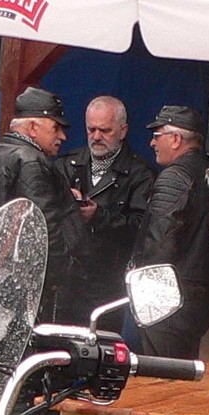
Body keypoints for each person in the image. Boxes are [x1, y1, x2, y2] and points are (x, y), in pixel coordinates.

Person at [123, 105, 209, 415]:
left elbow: (160, 243)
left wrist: (144, 291)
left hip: (169, 296)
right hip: (198, 296)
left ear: (177, 138)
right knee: (181, 389)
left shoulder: (175, 177)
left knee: (160, 393)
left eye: (158, 135)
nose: (152, 142)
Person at [0, 87, 94, 323]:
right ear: (33, 127)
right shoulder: (31, 162)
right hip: (19, 296)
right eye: (56, 128)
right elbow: (44, 229)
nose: (63, 137)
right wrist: (62, 276)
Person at [58, 95, 155, 324]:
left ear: (123, 131)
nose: (96, 136)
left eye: (105, 130)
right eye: (91, 129)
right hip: (66, 282)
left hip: (109, 285)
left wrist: (98, 216)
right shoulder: (67, 165)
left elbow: (142, 229)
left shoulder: (141, 174)